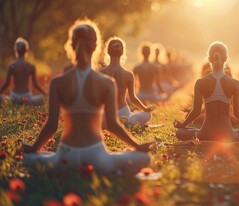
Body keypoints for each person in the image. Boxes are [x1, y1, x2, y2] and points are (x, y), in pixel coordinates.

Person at [21, 20, 154, 176]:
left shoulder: (57, 83)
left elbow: (51, 126)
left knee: (29, 158)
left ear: (70, 46)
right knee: (144, 158)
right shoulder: (106, 83)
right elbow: (112, 125)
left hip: (66, 158)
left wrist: (33, 148)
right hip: (97, 158)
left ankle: (55, 164)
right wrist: (137, 146)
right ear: (96, 46)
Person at [173, 42, 239, 145]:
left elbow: (196, 111)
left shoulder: (200, 82)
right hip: (228, 134)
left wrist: (183, 125)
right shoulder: (234, 83)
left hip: (205, 133)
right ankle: (232, 140)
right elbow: (237, 113)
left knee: (180, 132)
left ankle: (207, 140)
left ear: (209, 59)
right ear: (225, 58)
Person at [100, 37, 155, 127]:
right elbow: (132, 98)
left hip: (106, 114)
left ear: (108, 51)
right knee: (147, 115)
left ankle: (106, 123)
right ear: (122, 52)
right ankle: (126, 122)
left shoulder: (100, 72)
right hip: (124, 113)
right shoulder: (128, 74)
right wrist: (145, 109)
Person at [0, 38, 46, 105]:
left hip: (14, 98)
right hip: (27, 98)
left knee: (2, 98)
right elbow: (35, 84)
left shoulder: (11, 66)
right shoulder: (31, 66)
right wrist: (45, 93)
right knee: (42, 99)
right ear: (26, 50)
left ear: (16, 50)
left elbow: (7, 84)